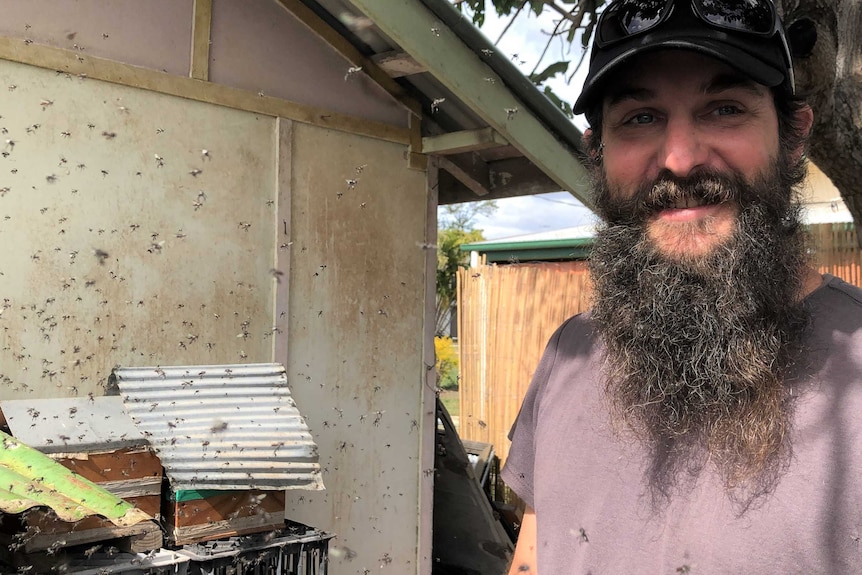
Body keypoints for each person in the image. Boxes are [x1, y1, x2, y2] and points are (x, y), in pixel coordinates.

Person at [501, 0, 862, 573]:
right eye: (640, 118)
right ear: (597, 152)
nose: (680, 159)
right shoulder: (569, 352)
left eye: (723, 109)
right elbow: (535, 554)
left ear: (793, 137)